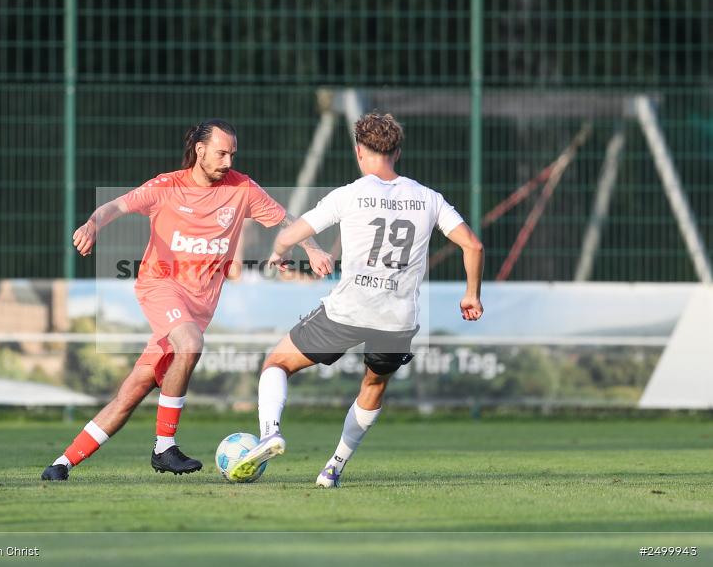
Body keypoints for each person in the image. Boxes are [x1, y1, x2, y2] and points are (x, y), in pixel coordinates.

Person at [41, 119, 333, 481]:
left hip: (195, 309)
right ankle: (164, 447)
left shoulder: (242, 188)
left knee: (132, 392)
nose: (228, 161)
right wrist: (92, 225)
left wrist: (313, 248)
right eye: (221, 153)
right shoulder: (166, 186)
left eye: (232, 154)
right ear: (200, 150)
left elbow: (287, 219)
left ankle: (61, 464)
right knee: (191, 343)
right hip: (159, 287)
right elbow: (115, 206)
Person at [230, 112, 484, 487]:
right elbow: (473, 245)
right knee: (373, 386)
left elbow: (291, 234)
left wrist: (281, 253)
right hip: (397, 320)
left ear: (359, 152)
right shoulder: (429, 199)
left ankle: (270, 432)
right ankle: (333, 467)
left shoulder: (348, 195)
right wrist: (470, 294)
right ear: (397, 151)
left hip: (347, 311)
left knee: (277, 363)